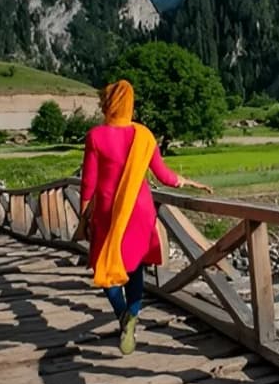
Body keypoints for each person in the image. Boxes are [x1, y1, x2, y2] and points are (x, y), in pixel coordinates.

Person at [79, 79, 212, 354]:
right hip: (139, 211)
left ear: (108, 104)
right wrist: (187, 182)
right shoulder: (144, 135)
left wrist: (84, 216)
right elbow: (163, 176)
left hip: (107, 212)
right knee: (135, 268)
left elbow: (88, 184)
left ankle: (123, 316)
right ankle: (134, 315)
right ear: (129, 104)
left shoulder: (96, 136)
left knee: (103, 269)